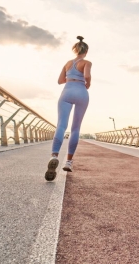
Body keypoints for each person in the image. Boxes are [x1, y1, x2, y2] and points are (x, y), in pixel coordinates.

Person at [45, 36, 91, 181]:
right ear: (86, 51)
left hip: (67, 90)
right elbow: (87, 76)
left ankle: (54, 156)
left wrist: (70, 76)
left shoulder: (67, 63)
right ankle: (69, 162)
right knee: (75, 128)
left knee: (61, 125)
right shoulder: (87, 62)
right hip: (81, 91)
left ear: (75, 50)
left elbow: (60, 81)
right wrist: (87, 83)